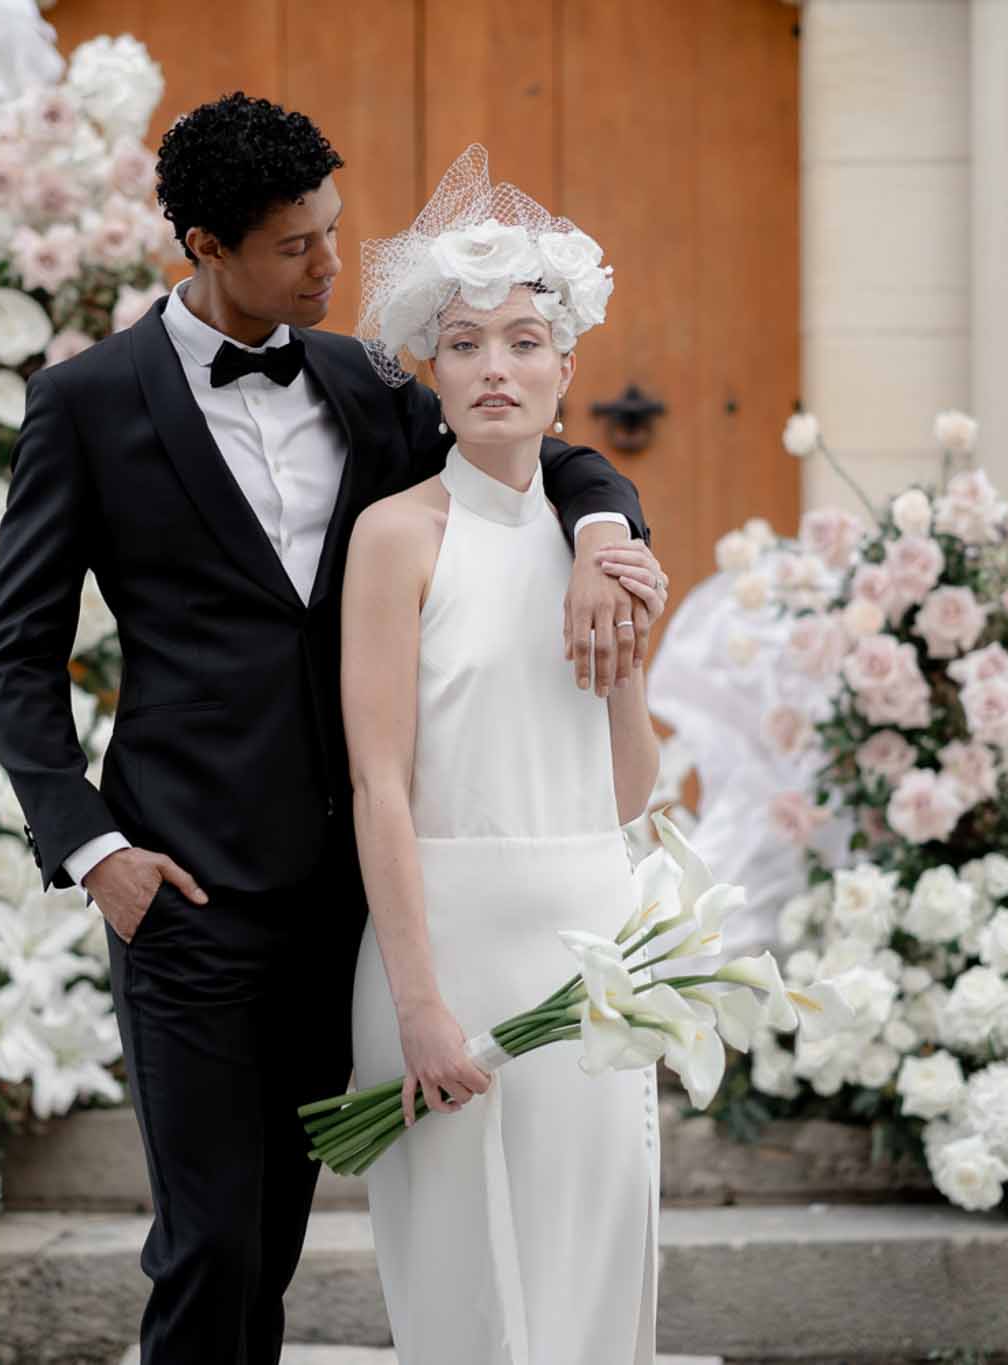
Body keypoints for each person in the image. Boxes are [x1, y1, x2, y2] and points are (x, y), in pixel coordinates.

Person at [0, 98, 666, 1363]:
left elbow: (529, 442)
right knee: (211, 1242)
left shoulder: (363, 381)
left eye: (333, 234)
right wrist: (92, 848)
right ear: (205, 245)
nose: (333, 265)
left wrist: (606, 528)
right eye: (299, 247)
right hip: (182, 887)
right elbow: (18, 655)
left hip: (352, 894)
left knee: (275, 1242)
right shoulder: (84, 403)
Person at [343, 146, 666, 1364]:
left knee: (593, 1279)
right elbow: (379, 781)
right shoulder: (395, 538)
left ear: (565, 366)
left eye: (524, 340)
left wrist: (628, 645)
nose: (496, 366)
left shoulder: (598, 539)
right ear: (430, 368)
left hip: (587, 939)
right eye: (466, 342)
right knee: (468, 1301)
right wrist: (419, 1004)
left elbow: (622, 790)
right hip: (447, 944)